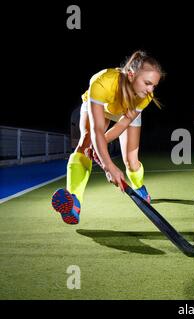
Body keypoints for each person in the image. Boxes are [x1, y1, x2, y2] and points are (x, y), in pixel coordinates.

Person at [51, 50, 164, 224]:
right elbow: (97, 131)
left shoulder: (145, 96)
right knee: (86, 141)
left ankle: (139, 186)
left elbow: (120, 127)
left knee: (131, 161)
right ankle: (74, 202)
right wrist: (108, 165)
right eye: (147, 83)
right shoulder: (102, 82)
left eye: (154, 86)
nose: (151, 90)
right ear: (131, 75)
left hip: (125, 111)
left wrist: (102, 154)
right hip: (101, 106)